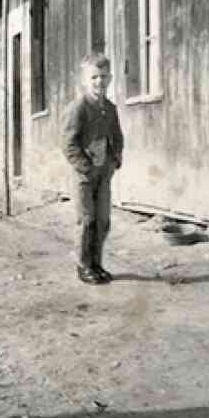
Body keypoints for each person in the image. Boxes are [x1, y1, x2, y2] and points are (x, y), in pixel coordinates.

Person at [61, 51, 125, 285]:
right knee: (86, 220)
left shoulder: (110, 108)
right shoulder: (78, 108)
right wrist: (85, 167)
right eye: (94, 77)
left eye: (104, 77)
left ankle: (97, 263)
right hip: (84, 176)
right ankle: (83, 264)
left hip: (103, 174)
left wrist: (115, 158)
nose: (100, 82)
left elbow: (117, 136)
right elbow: (67, 143)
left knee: (102, 220)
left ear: (110, 78)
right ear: (84, 80)